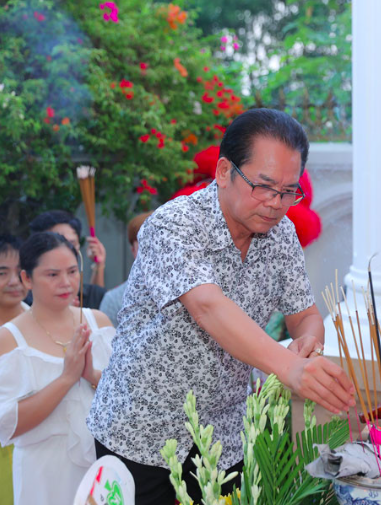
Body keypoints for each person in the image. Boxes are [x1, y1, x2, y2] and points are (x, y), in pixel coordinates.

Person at [87, 108, 355, 504]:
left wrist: (308, 343)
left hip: (221, 436)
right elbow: (208, 306)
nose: (276, 203)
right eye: (264, 186)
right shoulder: (172, 225)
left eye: (288, 191)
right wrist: (289, 368)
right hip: (140, 429)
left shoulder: (281, 235)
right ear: (224, 171)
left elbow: (305, 315)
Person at [0, 232, 115, 505]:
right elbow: (8, 424)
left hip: (101, 468)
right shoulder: (8, 339)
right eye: (52, 275)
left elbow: (126, 394)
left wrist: (91, 376)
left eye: (72, 272)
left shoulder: (99, 323)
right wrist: (66, 379)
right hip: (43, 472)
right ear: (27, 279)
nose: (66, 282)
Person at [0, 235, 29, 505]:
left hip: (36, 447)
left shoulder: (42, 322)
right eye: (1, 273)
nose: (13, 281)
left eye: (19, 272)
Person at [28, 210, 107, 308]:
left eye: (71, 244)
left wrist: (99, 265)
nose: (66, 251)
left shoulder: (97, 296)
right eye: (56, 244)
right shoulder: (25, 302)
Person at [99, 211, 152, 326]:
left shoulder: (185, 293)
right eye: (143, 246)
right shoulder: (113, 300)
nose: (151, 251)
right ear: (133, 250)